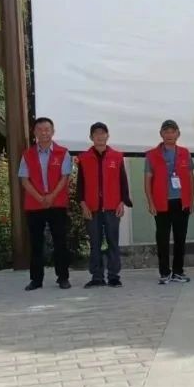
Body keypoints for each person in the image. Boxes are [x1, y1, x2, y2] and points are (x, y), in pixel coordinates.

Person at [18, 117, 74, 291]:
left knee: (60, 242)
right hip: (34, 205)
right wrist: (40, 197)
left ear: (53, 131)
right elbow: (24, 180)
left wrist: (51, 196)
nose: (44, 133)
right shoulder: (27, 154)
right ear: (35, 132)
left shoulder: (63, 152)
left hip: (57, 204)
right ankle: (36, 280)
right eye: (40, 129)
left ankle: (63, 278)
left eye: (47, 129)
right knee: (36, 243)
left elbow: (65, 177)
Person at [76, 122, 131, 289]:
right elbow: (80, 184)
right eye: (96, 134)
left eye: (103, 133)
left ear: (108, 136)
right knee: (95, 243)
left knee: (113, 242)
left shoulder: (117, 156)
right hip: (91, 208)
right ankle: (97, 276)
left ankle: (114, 276)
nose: (100, 136)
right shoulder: (84, 158)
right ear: (91, 137)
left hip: (112, 207)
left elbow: (123, 182)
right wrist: (83, 204)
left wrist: (122, 202)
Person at [145, 120, 194, 285]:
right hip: (161, 203)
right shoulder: (152, 155)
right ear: (161, 134)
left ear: (178, 134)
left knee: (180, 238)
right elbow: (147, 180)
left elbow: (190, 177)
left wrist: (191, 200)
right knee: (162, 239)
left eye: (172, 131)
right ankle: (165, 272)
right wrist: (150, 202)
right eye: (166, 131)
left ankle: (178, 272)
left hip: (181, 202)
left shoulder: (185, 153)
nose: (169, 135)